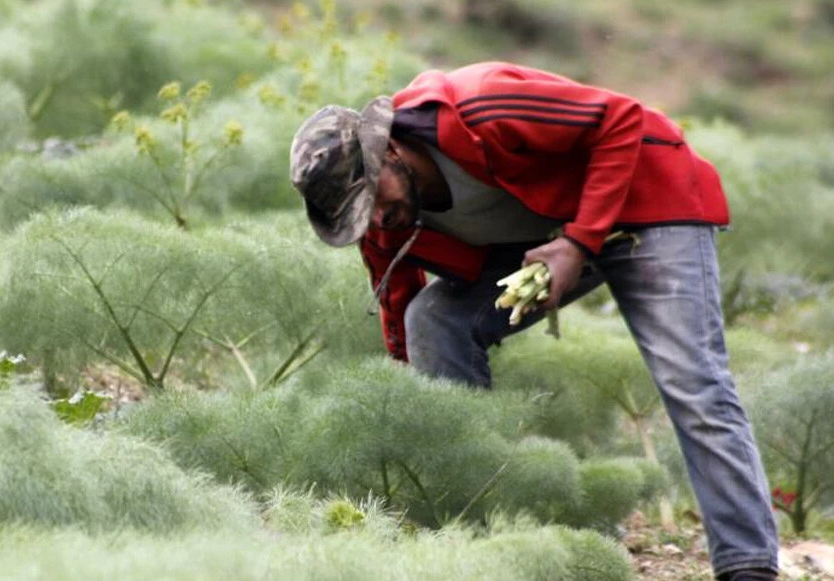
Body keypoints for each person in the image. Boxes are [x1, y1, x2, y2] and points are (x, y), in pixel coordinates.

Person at [289, 61, 778, 581]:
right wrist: (415, 417)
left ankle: (746, 563)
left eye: (373, 200)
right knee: (432, 321)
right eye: (360, 216)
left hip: (647, 207)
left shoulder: (479, 106)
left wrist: (578, 241)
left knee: (692, 382)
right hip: (547, 243)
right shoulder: (386, 224)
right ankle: (472, 539)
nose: (377, 219)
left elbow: (620, 120)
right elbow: (398, 310)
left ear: (388, 150)